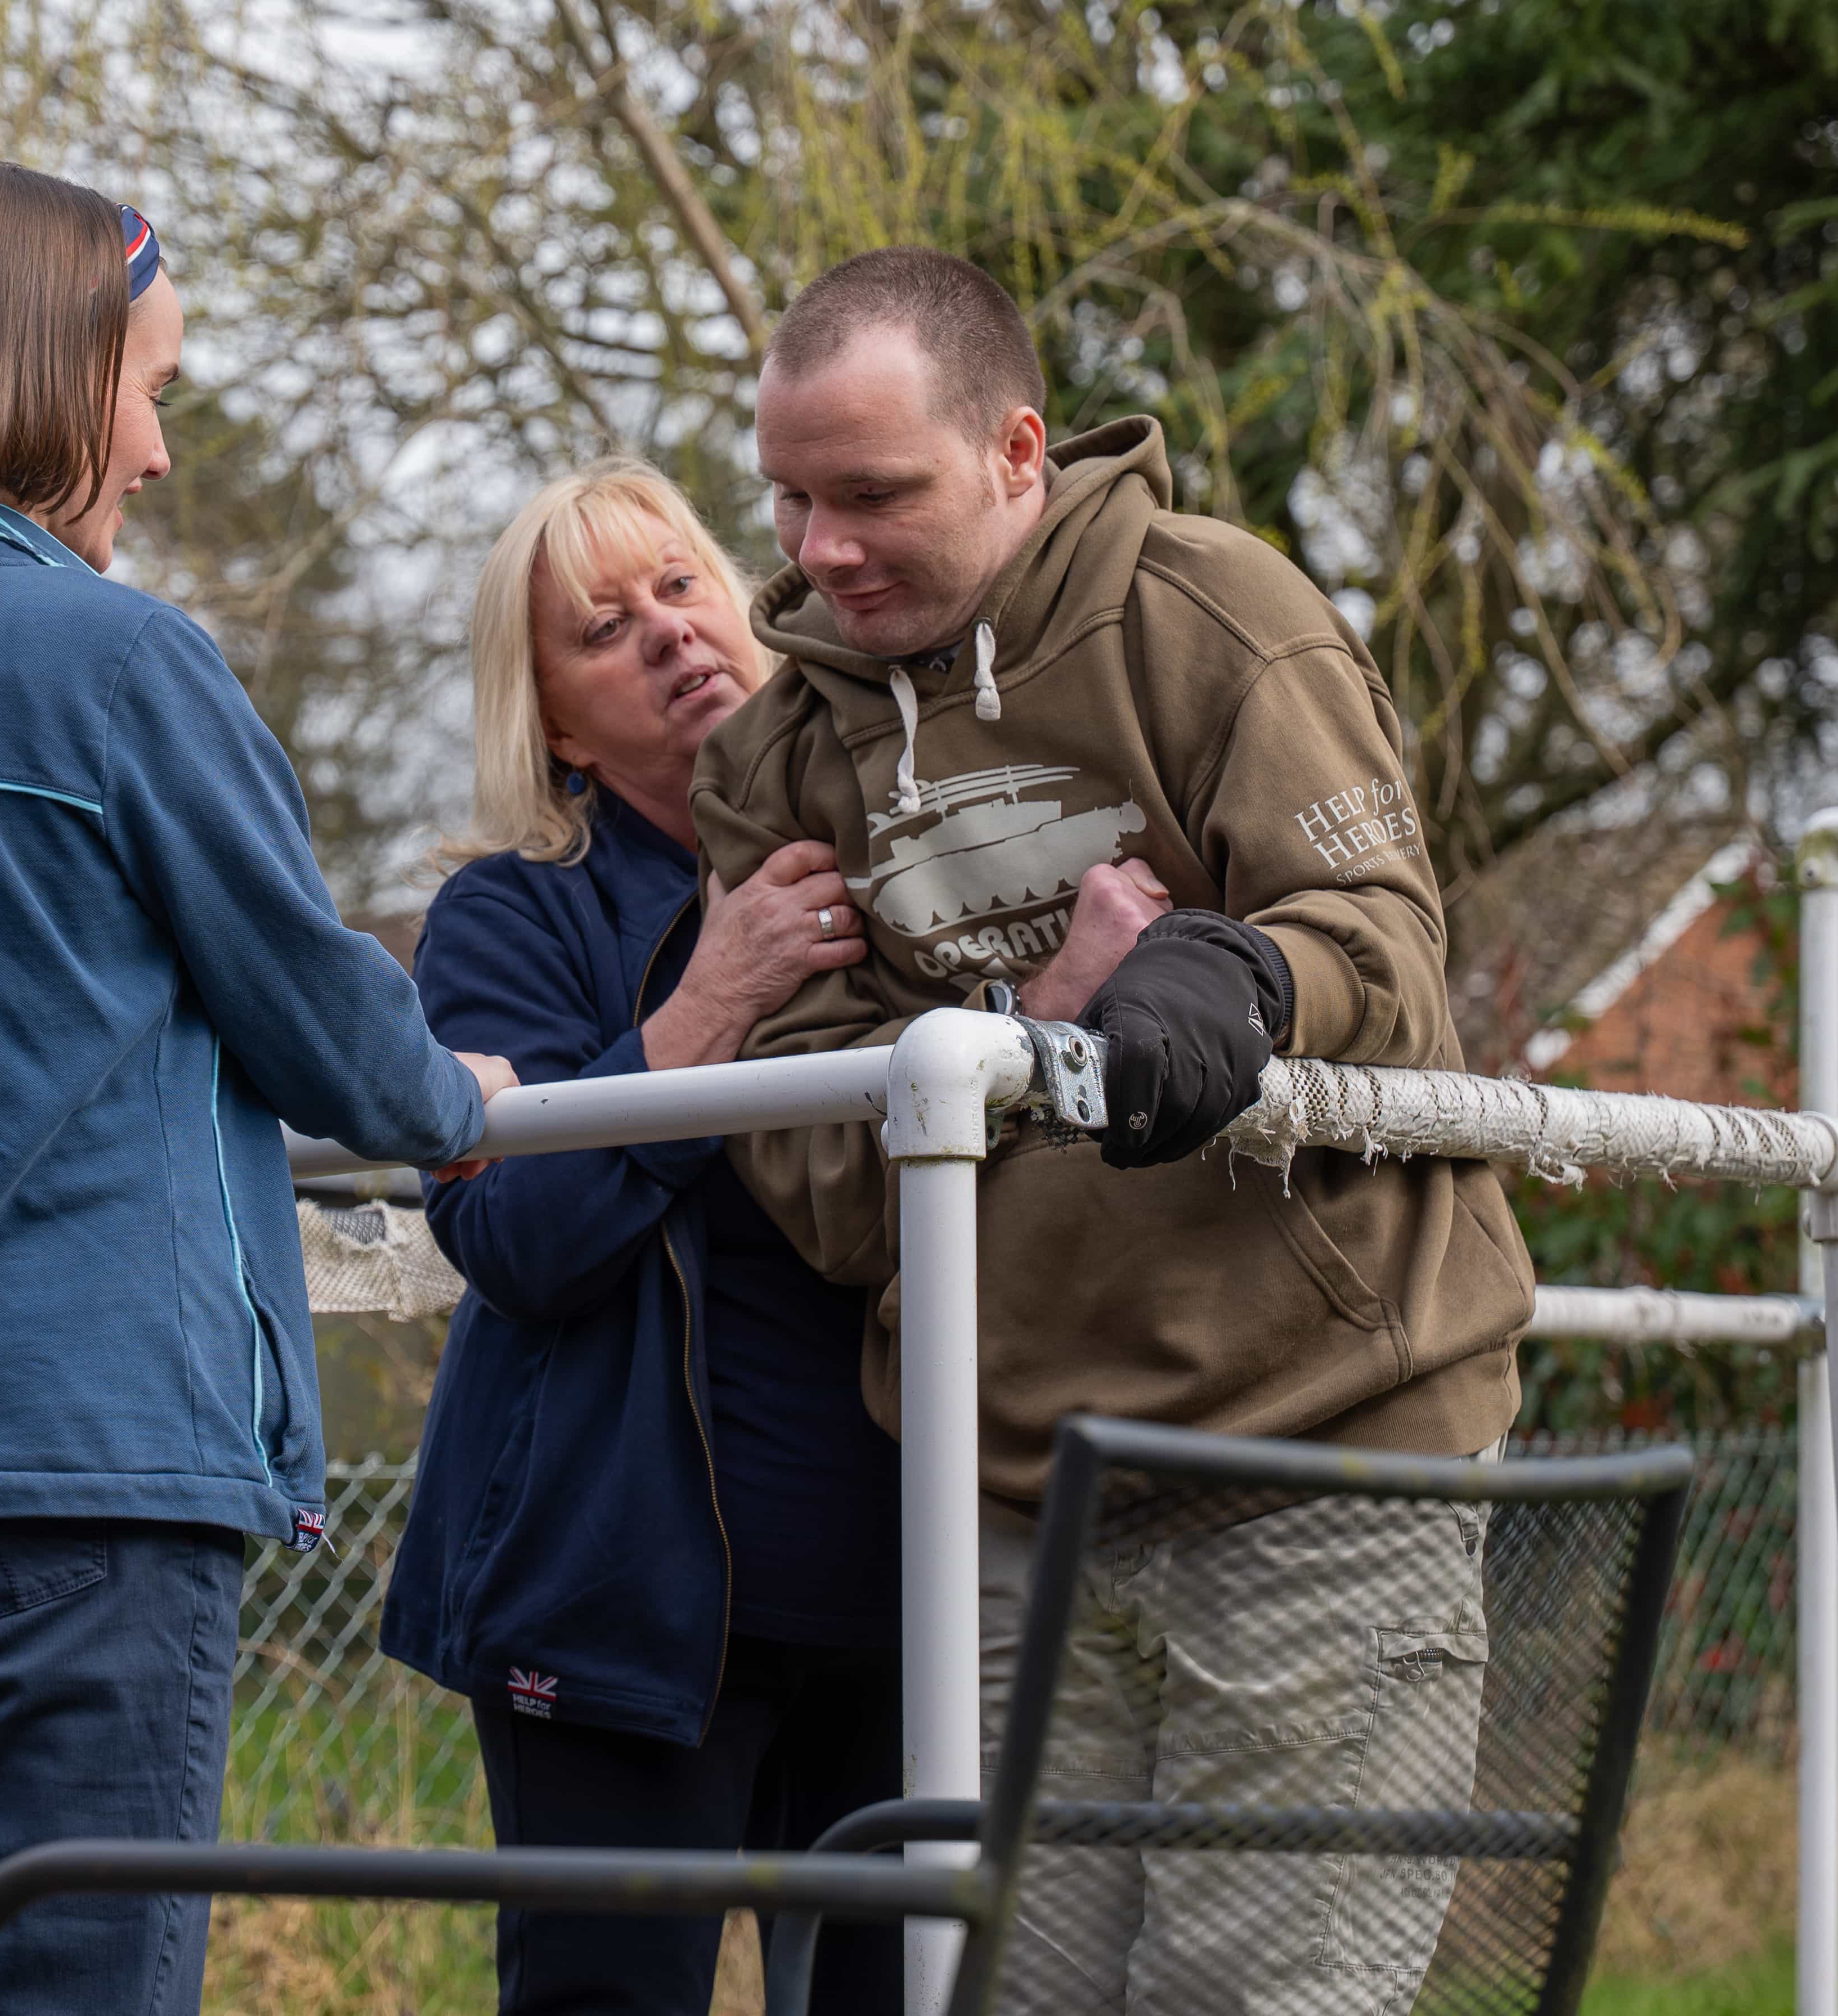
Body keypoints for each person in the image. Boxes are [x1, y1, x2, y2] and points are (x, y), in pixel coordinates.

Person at [0, 160, 513, 2016]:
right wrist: (465, 1091)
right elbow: (329, 1036)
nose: (150, 452)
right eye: (148, 392)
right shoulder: (114, 662)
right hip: (64, 1477)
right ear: (46, 379)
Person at [689, 248, 1539, 2014]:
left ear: (1015, 451)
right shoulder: (780, 755)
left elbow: (1377, 938)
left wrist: (1229, 977)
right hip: (1007, 1498)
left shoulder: (1213, 613)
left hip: (1317, 1449)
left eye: (871, 493)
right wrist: (1043, 1028)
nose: (818, 547)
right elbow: (836, 1195)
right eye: (786, 496)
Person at [382, 461, 907, 2014]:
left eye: (682, 587)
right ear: (552, 726)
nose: (673, 636)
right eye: (605, 630)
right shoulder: (508, 920)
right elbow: (518, 1238)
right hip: (614, 1611)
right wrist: (708, 1007)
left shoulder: (896, 843)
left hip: (901, 1598)